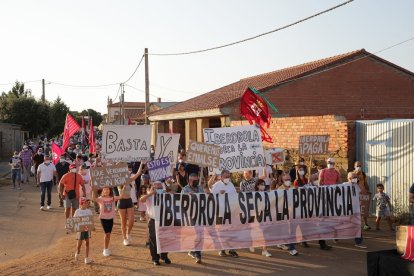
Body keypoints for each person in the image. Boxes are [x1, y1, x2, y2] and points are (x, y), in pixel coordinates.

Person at [140, 181, 172, 266]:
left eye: (160, 188)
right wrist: (151, 193)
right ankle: (155, 258)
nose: (159, 189)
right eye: (157, 188)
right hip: (153, 220)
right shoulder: (149, 197)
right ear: (152, 188)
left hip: (164, 220)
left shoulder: (166, 196)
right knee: (153, 240)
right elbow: (141, 199)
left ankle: (164, 256)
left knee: (165, 238)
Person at [210, 169, 239, 258]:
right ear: (221, 177)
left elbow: (234, 196)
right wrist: (219, 194)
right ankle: (222, 249)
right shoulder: (216, 185)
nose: (228, 178)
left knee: (231, 230)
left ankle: (232, 249)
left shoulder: (231, 185)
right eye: (226, 177)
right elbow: (211, 197)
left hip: (230, 212)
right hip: (220, 212)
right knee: (221, 231)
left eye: (229, 177)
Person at [182, 173, 209, 264]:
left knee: (199, 234)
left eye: (196, 180)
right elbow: (181, 202)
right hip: (190, 215)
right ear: (189, 180)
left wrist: (206, 191)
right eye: (194, 180)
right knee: (194, 234)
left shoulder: (200, 188)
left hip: (200, 214)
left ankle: (198, 254)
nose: (195, 181)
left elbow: (206, 198)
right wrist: (187, 196)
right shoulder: (185, 189)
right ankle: (193, 250)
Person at [118, 161, 145, 246]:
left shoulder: (129, 179)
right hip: (121, 201)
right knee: (123, 222)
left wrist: (141, 163)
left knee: (131, 220)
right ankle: (124, 239)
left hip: (129, 201)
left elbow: (138, 173)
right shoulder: (117, 180)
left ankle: (128, 233)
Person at [93, 187, 121, 257]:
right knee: (107, 233)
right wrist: (93, 190)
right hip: (103, 218)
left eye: (108, 189)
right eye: (105, 189)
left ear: (110, 191)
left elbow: (121, 196)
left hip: (111, 218)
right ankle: (105, 249)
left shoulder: (112, 198)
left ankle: (107, 248)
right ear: (102, 191)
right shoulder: (100, 199)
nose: (106, 190)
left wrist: (123, 187)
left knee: (108, 234)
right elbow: (94, 199)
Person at [249, 179, 272, 257]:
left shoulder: (267, 193)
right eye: (261, 184)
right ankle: (251, 243)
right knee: (257, 232)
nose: (263, 186)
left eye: (264, 184)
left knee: (265, 233)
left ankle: (264, 250)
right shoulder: (253, 194)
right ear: (257, 185)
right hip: (257, 216)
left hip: (265, 215)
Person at [277, 173, 299, 256]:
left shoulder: (293, 188)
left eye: (289, 179)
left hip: (293, 213)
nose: (288, 181)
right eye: (286, 180)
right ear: (282, 181)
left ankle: (287, 244)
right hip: (284, 213)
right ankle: (292, 248)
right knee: (288, 230)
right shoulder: (279, 190)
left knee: (291, 230)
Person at [345, 172, 367, 248]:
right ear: (348, 178)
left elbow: (364, 192)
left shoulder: (357, 186)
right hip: (345, 210)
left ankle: (358, 241)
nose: (353, 179)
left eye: (355, 177)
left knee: (357, 224)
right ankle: (337, 237)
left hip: (355, 209)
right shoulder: (344, 185)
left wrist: (359, 182)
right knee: (343, 224)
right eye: (351, 178)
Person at [74, 197, 93, 264]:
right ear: (82, 203)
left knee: (87, 242)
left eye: (88, 202)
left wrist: (92, 227)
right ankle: (78, 251)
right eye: (86, 202)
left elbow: (91, 220)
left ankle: (86, 258)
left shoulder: (89, 211)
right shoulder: (77, 211)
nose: (87, 203)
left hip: (87, 229)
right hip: (80, 229)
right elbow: (74, 220)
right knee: (80, 242)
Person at [354, 161, 371, 230]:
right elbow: (352, 182)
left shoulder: (363, 174)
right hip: (356, 193)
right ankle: (356, 224)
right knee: (356, 209)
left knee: (364, 208)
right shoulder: (352, 174)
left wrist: (367, 190)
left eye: (360, 166)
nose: (359, 167)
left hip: (363, 193)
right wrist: (356, 175)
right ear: (354, 166)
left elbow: (365, 183)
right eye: (357, 166)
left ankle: (366, 224)